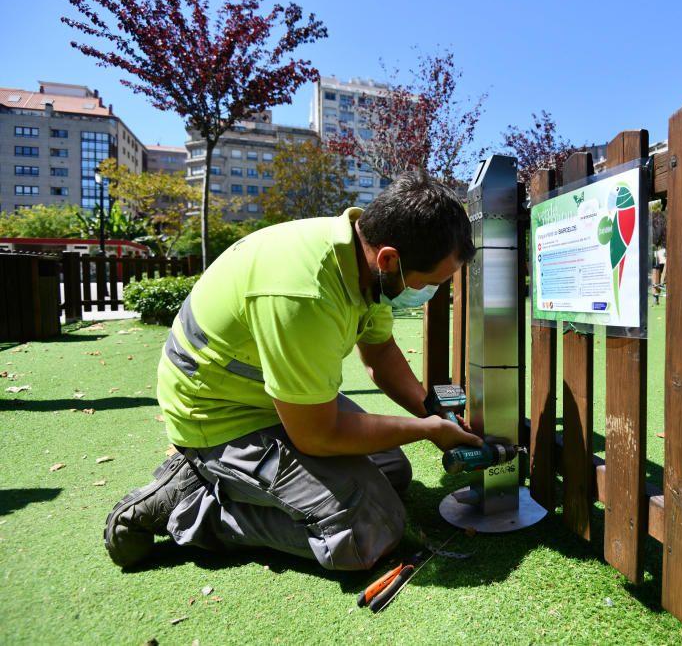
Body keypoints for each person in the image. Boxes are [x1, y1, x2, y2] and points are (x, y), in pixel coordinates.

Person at [103, 170, 482, 571]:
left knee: (392, 470)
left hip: (275, 398)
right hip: (221, 417)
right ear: (389, 258)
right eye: (431, 283)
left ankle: (232, 483)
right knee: (368, 530)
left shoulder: (364, 260)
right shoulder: (304, 292)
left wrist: (431, 412)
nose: (432, 293)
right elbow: (318, 434)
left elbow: (381, 353)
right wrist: (428, 432)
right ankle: (195, 504)